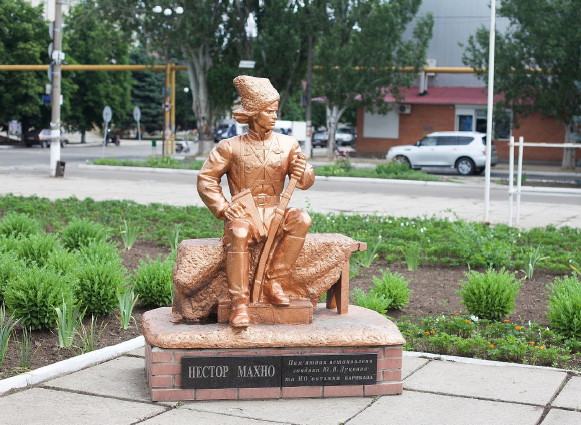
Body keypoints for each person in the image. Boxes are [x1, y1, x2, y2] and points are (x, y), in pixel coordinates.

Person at [197, 76, 315, 328]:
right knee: (238, 233)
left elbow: (305, 179)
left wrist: (302, 171)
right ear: (254, 114)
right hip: (245, 213)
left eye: (275, 112)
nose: (274, 117)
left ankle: (274, 281)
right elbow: (207, 179)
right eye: (269, 112)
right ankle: (240, 304)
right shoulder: (230, 147)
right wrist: (224, 208)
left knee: (302, 219)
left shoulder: (288, 144)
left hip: (276, 208)